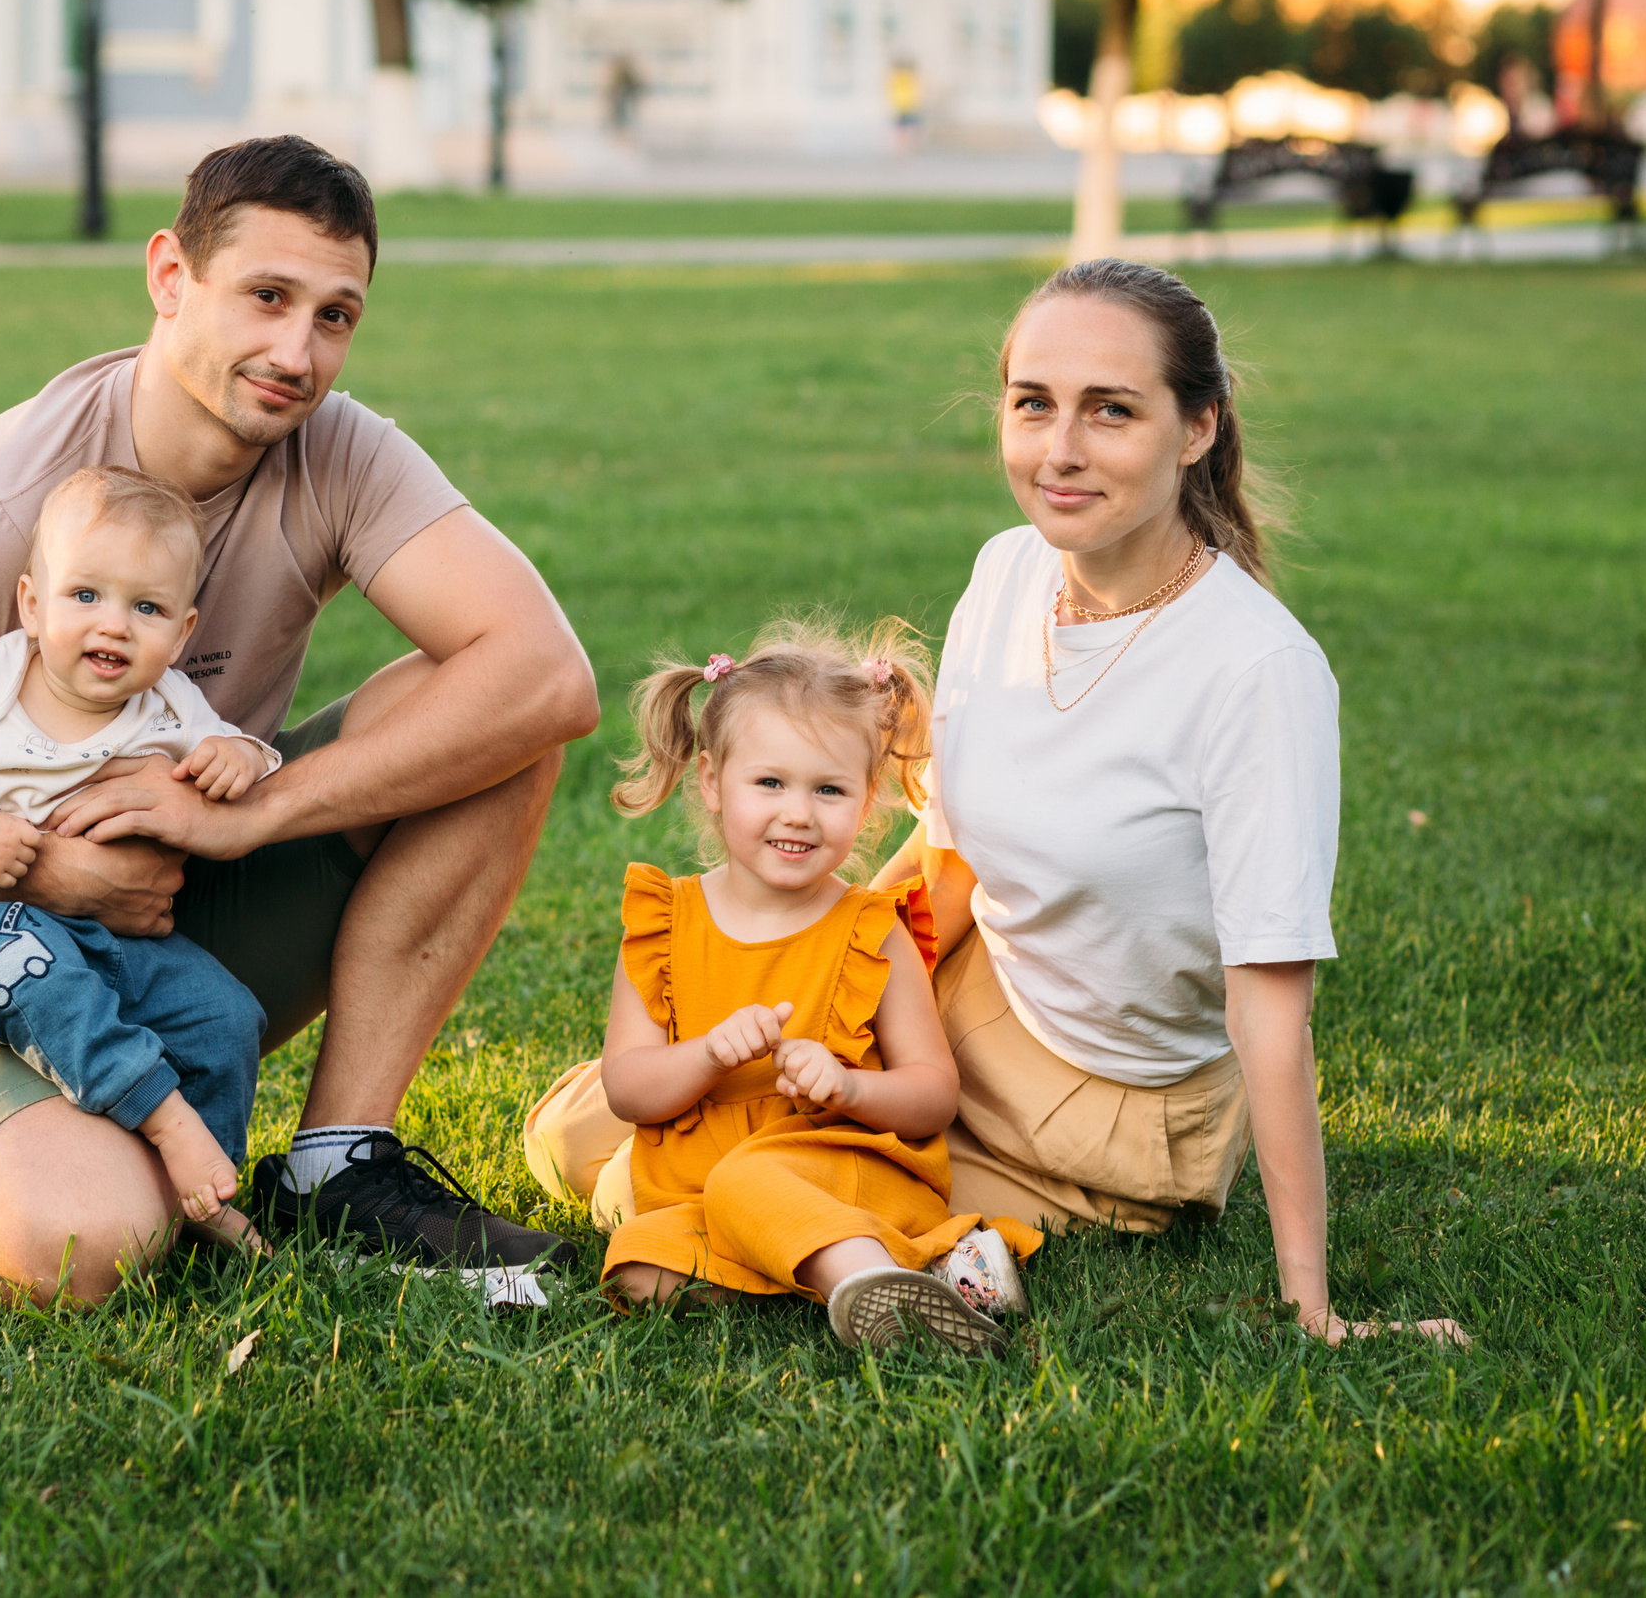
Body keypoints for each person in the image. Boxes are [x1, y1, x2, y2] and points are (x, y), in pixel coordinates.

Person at [0, 136, 601, 1305]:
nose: (297, 354)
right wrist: (53, 875)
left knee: (493, 724)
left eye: (335, 316)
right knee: (83, 1248)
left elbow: (547, 677)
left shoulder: (336, 450)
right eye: (266, 297)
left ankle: (338, 1166)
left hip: (175, 899)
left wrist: (256, 814)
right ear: (170, 277)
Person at [528, 260, 1468, 1348]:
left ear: (1198, 426)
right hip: (963, 997)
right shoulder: (1010, 570)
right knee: (573, 1135)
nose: (1059, 449)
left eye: (1110, 411)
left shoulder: (1256, 671)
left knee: (662, 1188)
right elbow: (958, 845)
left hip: (1100, 1096)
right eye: (1032, 404)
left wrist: (1313, 1307)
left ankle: (912, 1265)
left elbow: (1271, 1004)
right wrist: (814, 971)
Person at [531, 621, 1042, 1354]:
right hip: (700, 1188)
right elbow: (629, 1090)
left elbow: (933, 1094)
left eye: (829, 789)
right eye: (769, 782)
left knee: (746, 1183)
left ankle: (875, 1290)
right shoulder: (665, 924)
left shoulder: (871, 931)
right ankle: (922, 1269)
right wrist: (708, 1054)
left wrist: (849, 1088)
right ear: (712, 781)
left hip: (842, 1164)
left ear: (866, 800)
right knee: (639, 1267)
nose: (798, 812)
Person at [0, 467, 278, 1244]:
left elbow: (233, 748)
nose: (115, 624)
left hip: (115, 935)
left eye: (146, 608)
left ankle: (203, 1197)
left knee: (225, 1015)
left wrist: (240, 756)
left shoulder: (170, 702)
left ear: (182, 632)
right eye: (85, 595)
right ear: (32, 604)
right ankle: (167, 1123)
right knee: (44, 984)